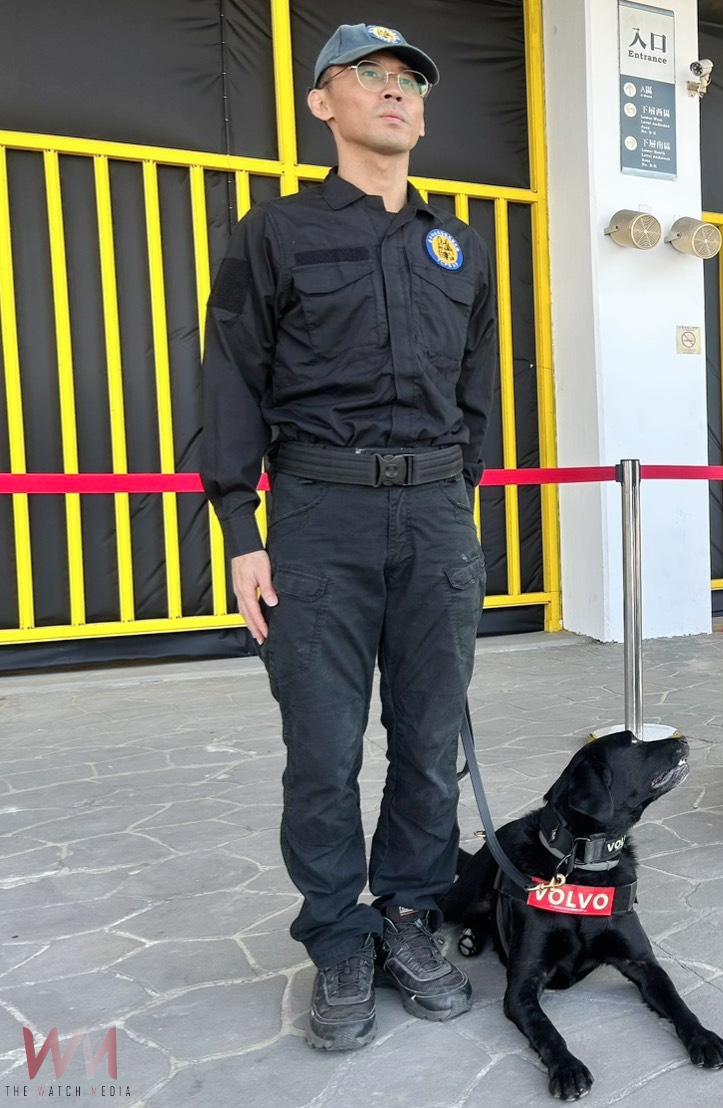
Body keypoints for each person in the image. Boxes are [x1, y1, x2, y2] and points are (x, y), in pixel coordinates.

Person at [201, 23, 495, 1052]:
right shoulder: (271, 231)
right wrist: (242, 526)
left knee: (429, 738)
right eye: (369, 75)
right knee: (322, 749)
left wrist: (461, 508)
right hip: (318, 517)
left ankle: (411, 910)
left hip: (435, 516)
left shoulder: (457, 242)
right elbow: (230, 377)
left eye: (411, 77)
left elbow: (478, 392)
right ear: (322, 102)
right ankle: (336, 932)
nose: (396, 91)